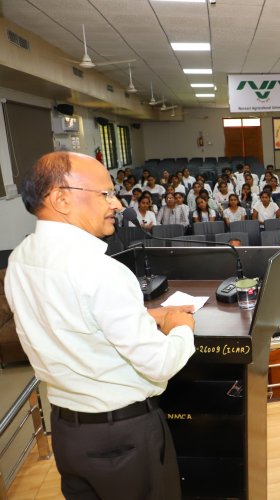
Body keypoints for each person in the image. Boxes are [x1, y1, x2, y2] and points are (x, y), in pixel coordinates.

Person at [5, 151, 195, 499]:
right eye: (105, 194)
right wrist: (180, 327)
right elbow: (160, 364)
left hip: (66, 431)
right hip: (122, 437)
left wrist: (143, 317)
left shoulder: (22, 258)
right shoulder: (102, 270)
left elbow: (64, 320)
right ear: (61, 198)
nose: (118, 205)